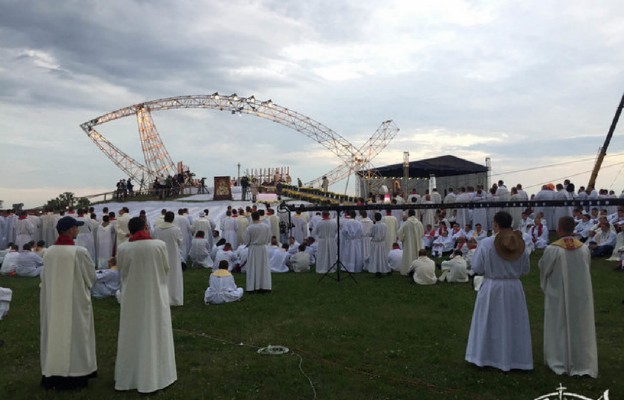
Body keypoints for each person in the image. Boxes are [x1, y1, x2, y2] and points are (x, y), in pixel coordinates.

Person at [115, 217, 177, 393]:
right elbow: (165, 268)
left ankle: (130, 375)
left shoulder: (124, 248)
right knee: (156, 331)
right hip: (154, 294)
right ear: (145, 227)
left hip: (133, 295)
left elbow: (122, 269)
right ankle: (158, 374)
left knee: (132, 333)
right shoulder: (158, 246)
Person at [465, 211, 533, 371]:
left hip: (493, 286)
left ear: (495, 224)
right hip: (513, 287)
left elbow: (477, 267)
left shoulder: (487, 243)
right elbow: (526, 269)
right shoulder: (520, 243)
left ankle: (486, 356)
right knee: (513, 322)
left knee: (490, 321)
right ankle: (515, 358)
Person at [40, 216, 97, 390]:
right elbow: (91, 277)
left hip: (54, 301)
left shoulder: (48, 252)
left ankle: (54, 372)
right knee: (76, 334)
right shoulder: (79, 252)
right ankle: (76, 373)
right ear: (70, 230)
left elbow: (44, 277)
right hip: (75, 301)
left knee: (55, 333)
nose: (78, 230)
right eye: (76, 228)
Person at [538, 216, 598, 378]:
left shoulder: (552, 249)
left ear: (559, 228)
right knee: (580, 326)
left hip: (558, 295)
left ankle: (559, 360)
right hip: (580, 295)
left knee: (559, 325)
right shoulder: (584, 248)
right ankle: (582, 362)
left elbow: (544, 269)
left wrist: (545, 284)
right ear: (573, 228)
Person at [152, 211, 184, 306]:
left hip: (160, 255)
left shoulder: (157, 229)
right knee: (173, 275)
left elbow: (154, 239)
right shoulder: (175, 229)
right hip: (173, 255)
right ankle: (174, 297)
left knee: (161, 274)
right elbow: (180, 241)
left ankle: (160, 297)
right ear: (172, 219)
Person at [243, 211, 272, 292]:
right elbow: (269, 238)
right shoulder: (266, 227)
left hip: (253, 249)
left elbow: (246, 240)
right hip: (263, 248)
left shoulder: (249, 228)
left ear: (252, 217)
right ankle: (265, 286)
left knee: (253, 267)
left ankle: (252, 286)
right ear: (259, 217)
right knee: (263, 267)